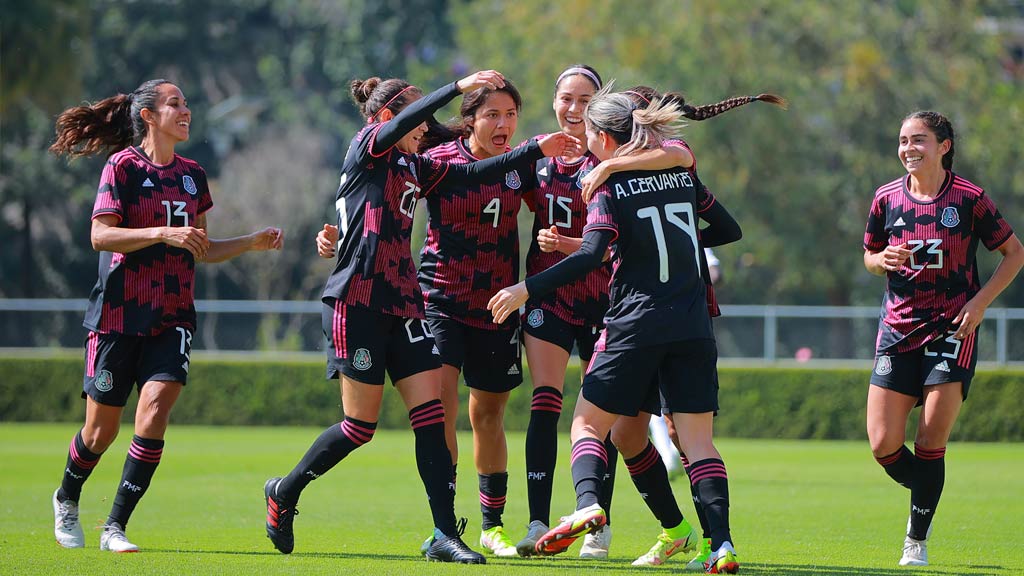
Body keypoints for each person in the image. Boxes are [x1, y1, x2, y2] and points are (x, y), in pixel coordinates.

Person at [263, 71, 580, 563]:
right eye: (418, 116)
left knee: (432, 417)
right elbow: (407, 122)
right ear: (390, 117)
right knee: (358, 427)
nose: (427, 125)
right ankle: (284, 491)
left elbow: (473, 175)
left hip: (405, 303)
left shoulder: (415, 166)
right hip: (358, 302)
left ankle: (445, 533)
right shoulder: (369, 144)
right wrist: (457, 87)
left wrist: (536, 148)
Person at [489, 88, 743, 574]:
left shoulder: (605, 185)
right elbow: (728, 229)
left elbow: (588, 256)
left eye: (588, 132)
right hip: (692, 326)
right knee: (665, 439)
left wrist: (525, 289)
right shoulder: (680, 174)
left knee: (586, 425)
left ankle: (587, 503)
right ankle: (715, 546)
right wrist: (671, 235)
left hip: (634, 325)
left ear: (603, 137)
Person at [48, 79, 284, 553]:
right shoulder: (123, 167)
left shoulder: (194, 175)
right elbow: (100, 236)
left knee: (155, 409)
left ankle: (114, 526)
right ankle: (67, 496)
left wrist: (249, 242)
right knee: (101, 430)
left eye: (186, 103)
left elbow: (200, 246)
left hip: (173, 315)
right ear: (149, 116)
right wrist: (161, 232)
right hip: (117, 315)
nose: (186, 110)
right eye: (175, 103)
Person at [863, 111, 1023, 567]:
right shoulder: (886, 198)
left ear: (944, 145)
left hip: (953, 329)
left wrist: (980, 303)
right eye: (902, 140)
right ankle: (928, 491)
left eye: (919, 140)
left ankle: (916, 538)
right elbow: (869, 256)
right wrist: (882, 261)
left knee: (931, 439)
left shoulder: (969, 199)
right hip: (897, 329)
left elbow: (1014, 254)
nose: (908, 148)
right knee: (882, 445)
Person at [415, 80, 528, 557]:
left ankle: (492, 525)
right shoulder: (439, 163)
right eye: (492, 115)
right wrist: (340, 236)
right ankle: (446, 526)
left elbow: (560, 211)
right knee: (440, 406)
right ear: (470, 120)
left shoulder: (525, 164)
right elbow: (385, 205)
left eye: (510, 114)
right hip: (439, 299)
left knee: (488, 414)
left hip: (498, 306)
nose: (503, 124)